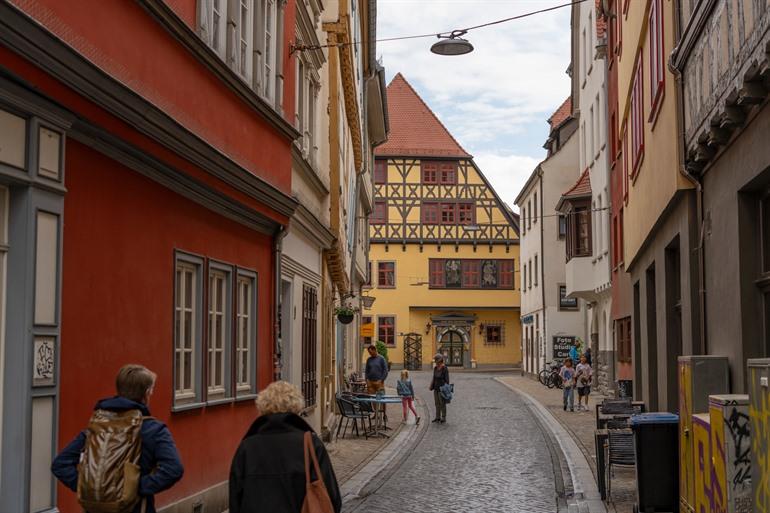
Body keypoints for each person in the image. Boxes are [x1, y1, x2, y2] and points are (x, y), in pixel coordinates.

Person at [51, 364, 184, 513]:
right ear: (146, 393)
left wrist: (90, 486)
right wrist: (134, 487)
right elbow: (174, 469)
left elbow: (60, 464)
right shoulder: (153, 429)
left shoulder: (97, 427)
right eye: (152, 390)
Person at [229, 381, 341, 513]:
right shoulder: (310, 444)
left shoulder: (247, 447)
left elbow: (235, 499)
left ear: (263, 406)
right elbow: (331, 496)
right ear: (296, 406)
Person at [429, 354, 450, 423]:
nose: (435, 362)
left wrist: (445, 389)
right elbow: (434, 377)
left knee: (442, 403)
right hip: (436, 388)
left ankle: (443, 417)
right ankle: (437, 417)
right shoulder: (435, 368)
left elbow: (447, 380)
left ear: (440, 360)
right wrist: (431, 385)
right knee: (437, 403)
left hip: (442, 388)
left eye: (436, 360)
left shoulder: (444, 368)